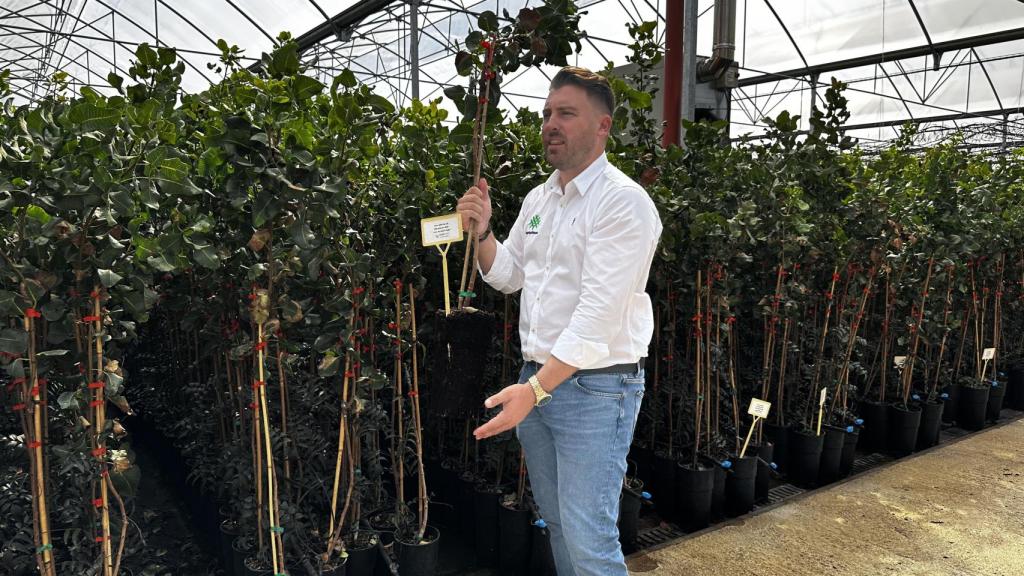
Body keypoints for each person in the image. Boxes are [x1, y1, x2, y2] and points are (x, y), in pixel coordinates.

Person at [456, 66, 662, 576]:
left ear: (603, 126)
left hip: (596, 389)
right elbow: (508, 275)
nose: (551, 124)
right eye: (548, 113)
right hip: (538, 380)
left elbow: (597, 316)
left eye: (566, 113)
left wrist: (534, 390)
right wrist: (481, 233)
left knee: (589, 537)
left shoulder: (623, 202)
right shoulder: (539, 199)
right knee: (558, 523)